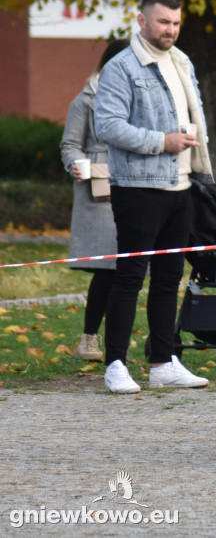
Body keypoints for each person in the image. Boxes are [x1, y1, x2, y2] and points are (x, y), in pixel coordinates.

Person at [94, 0, 214, 394]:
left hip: (182, 185)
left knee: (169, 278)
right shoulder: (122, 66)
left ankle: (163, 361)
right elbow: (106, 126)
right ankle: (115, 364)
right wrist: (161, 141)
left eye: (177, 23)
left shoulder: (181, 61)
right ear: (141, 20)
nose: (171, 30)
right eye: (163, 21)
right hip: (137, 187)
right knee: (129, 277)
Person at [60, 38, 130, 361]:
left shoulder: (134, 96)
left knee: (128, 269)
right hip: (100, 191)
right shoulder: (85, 100)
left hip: (133, 184)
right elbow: (70, 144)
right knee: (108, 268)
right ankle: (89, 339)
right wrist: (77, 165)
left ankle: (118, 341)